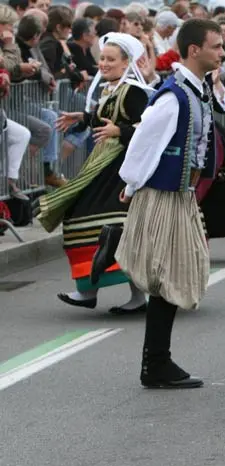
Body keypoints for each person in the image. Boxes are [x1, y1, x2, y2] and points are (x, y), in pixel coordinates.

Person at [113, 18, 225, 389]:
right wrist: (131, 184)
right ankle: (156, 363)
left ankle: (156, 362)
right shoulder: (173, 96)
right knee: (167, 276)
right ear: (195, 50)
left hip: (182, 195)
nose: (222, 52)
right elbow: (144, 142)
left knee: (176, 273)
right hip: (164, 195)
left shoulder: (196, 90)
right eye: (216, 46)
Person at [36, 32, 151, 314]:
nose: (103, 63)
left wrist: (119, 131)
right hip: (102, 162)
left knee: (115, 225)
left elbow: (148, 127)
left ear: (126, 64)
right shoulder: (110, 89)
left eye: (111, 59)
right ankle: (87, 290)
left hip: (121, 167)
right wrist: (83, 117)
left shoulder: (134, 90)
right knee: (82, 218)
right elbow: (105, 116)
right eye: (102, 58)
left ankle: (134, 296)